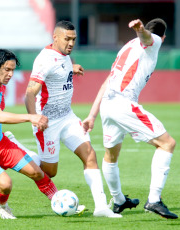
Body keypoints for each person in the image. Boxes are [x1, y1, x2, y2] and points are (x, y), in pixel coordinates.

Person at [23, 20, 121, 218]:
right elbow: (29, 94)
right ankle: (20, 152)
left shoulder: (64, 55)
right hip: (47, 123)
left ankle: (101, 207)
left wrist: (71, 68)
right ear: (55, 37)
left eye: (73, 39)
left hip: (68, 118)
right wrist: (35, 118)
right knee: (49, 172)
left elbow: (60, 67)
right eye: (67, 39)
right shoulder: (44, 59)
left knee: (90, 155)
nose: (71, 43)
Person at [82, 18, 178, 219]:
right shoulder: (153, 41)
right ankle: (154, 200)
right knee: (167, 143)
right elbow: (146, 38)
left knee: (111, 155)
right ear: (163, 37)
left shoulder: (126, 48)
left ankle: (118, 201)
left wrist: (92, 114)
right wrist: (141, 30)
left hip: (108, 104)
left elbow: (106, 82)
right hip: (123, 103)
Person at [0, 49, 58, 219]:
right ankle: (2, 205)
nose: (10, 74)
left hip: (0, 142)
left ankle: (60, 201)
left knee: (37, 172)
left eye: (13, 70)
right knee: (6, 184)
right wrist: (31, 117)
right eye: (7, 69)